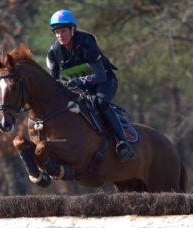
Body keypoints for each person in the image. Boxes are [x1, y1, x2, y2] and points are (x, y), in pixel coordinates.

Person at [46, 9, 136, 162]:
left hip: (105, 81)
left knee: (100, 103)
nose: (60, 35)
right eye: (57, 32)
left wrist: (79, 81)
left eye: (63, 31)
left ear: (72, 30)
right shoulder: (54, 52)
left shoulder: (86, 43)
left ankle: (123, 142)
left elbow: (100, 76)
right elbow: (54, 82)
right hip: (83, 88)